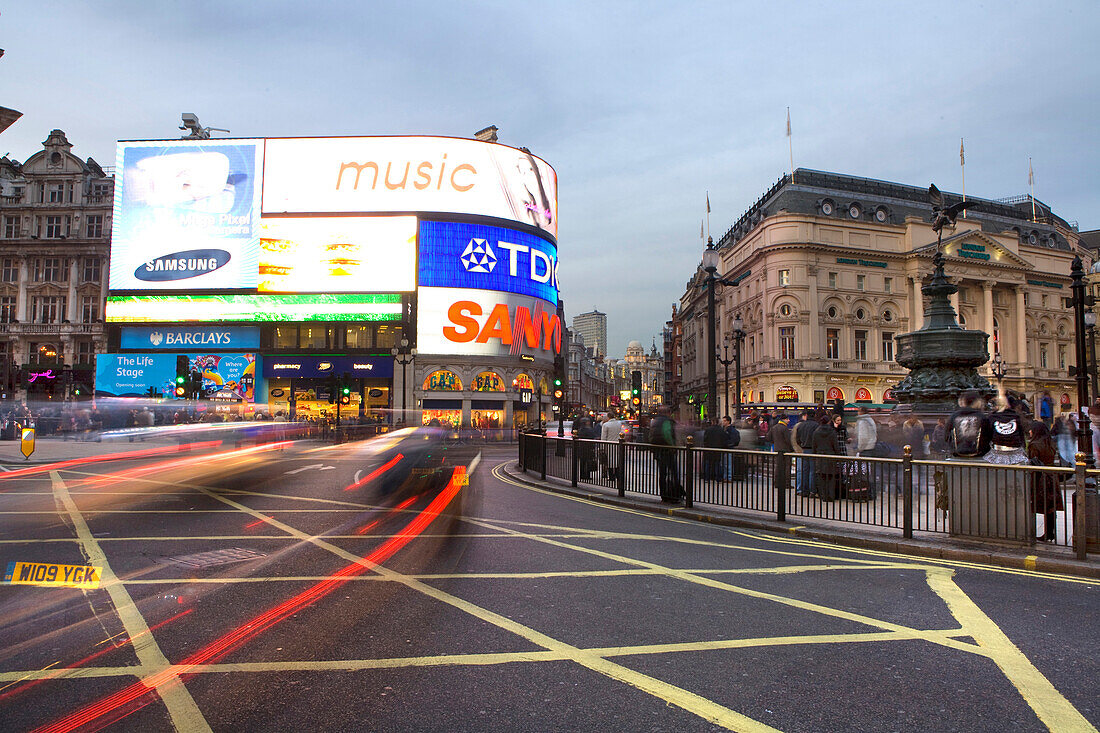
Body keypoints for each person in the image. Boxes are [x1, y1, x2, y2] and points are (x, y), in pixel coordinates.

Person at [1027, 421, 1064, 542]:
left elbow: (1033, 462)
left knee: (1036, 504)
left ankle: (1034, 532)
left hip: (1040, 478)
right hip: (1052, 476)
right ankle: (1050, 532)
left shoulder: (1034, 445)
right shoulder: (1051, 443)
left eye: (1031, 429)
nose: (1029, 432)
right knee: (1051, 507)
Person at [946, 390, 993, 460]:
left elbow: (946, 435)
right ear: (976, 402)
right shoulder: (982, 417)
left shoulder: (954, 416)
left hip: (957, 453)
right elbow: (989, 435)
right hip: (979, 455)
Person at [649, 407, 681, 502]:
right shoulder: (667, 421)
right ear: (668, 412)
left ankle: (663, 495)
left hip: (658, 450)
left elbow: (650, 436)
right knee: (673, 472)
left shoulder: (654, 421)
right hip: (667, 451)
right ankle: (673, 495)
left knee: (662, 473)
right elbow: (667, 434)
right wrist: (673, 446)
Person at [811, 413, 842, 501]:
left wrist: (814, 455)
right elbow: (835, 445)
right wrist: (838, 456)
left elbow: (814, 445)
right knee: (831, 478)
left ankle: (823, 496)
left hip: (820, 456)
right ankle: (831, 496)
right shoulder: (832, 432)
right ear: (829, 422)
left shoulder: (816, 432)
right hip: (830, 456)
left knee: (821, 477)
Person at [793, 411, 818, 496]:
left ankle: (804, 490)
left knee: (804, 470)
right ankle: (812, 490)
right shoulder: (816, 425)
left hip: (804, 450)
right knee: (812, 471)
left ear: (806, 416)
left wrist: (802, 445)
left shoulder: (801, 425)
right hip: (813, 450)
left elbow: (797, 439)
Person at [766, 413, 793, 493]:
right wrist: (791, 449)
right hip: (785, 450)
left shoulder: (773, 428)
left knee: (778, 467)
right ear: (784, 419)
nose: (789, 420)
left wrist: (775, 443)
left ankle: (777, 482)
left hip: (777, 449)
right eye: (787, 419)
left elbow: (768, 437)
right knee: (787, 467)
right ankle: (787, 483)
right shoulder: (785, 428)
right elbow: (788, 440)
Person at [600, 413, 623, 481]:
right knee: (617, 460)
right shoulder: (619, 423)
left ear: (608, 417)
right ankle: (618, 475)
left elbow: (603, 437)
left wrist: (602, 447)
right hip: (618, 443)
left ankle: (611, 476)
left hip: (609, 444)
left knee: (609, 461)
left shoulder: (606, 425)